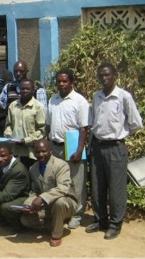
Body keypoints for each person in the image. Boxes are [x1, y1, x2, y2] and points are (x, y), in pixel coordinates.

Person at [86, 63, 143, 240]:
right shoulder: (97, 96)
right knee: (97, 186)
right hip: (97, 146)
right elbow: (92, 121)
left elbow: (136, 123)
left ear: (115, 75)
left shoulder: (123, 97)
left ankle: (115, 224)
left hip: (115, 148)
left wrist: (119, 135)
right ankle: (100, 219)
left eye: (107, 75)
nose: (104, 78)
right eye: (101, 75)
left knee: (116, 189)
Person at [46, 69, 89, 229]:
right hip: (55, 147)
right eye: (59, 81)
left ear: (71, 82)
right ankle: (61, 212)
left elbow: (84, 128)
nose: (61, 84)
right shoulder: (53, 100)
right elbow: (49, 124)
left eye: (65, 81)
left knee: (76, 183)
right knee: (57, 182)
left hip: (72, 148)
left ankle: (77, 215)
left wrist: (79, 151)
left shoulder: (79, 101)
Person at [20, 139, 78, 247]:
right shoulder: (33, 168)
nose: (40, 154)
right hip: (47, 204)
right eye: (37, 152)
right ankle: (56, 223)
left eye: (44, 151)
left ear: (50, 151)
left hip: (66, 201)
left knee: (59, 203)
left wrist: (42, 198)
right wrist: (29, 203)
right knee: (25, 220)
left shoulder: (61, 165)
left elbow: (63, 187)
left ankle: (56, 234)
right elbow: (35, 191)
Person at [4, 78, 46, 169]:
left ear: (33, 90)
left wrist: (26, 140)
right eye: (23, 89)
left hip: (31, 153)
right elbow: (8, 125)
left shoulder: (38, 107)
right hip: (15, 151)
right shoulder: (13, 106)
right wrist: (9, 135)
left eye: (28, 89)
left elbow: (42, 130)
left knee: (31, 179)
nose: (25, 91)